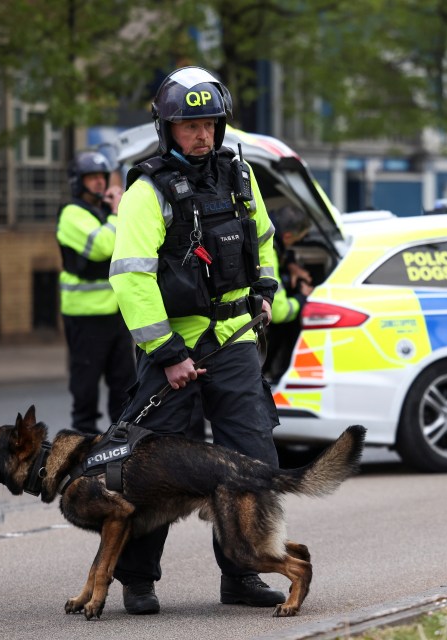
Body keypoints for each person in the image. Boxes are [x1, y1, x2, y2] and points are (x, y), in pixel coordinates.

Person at [108, 66, 285, 614]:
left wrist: (265, 289)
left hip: (233, 342)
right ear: (167, 128)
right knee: (152, 469)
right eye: (190, 125)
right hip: (175, 353)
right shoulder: (147, 190)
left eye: (209, 123)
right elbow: (131, 277)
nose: (202, 134)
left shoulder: (240, 175)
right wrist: (167, 353)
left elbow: (264, 240)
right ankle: (137, 581)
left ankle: (244, 573)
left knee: (252, 459)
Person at [56, 150, 136, 434]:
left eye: (102, 178)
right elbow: (103, 245)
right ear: (78, 182)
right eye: (92, 178)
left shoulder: (103, 212)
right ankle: (82, 445)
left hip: (116, 314)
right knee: (86, 389)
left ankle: (122, 443)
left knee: (125, 386)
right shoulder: (71, 214)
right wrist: (117, 213)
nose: (100, 183)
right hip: (85, 315)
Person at [263, 205, 313, 381]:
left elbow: (280, 248)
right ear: (287, 236)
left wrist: (290, 264)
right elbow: (280, 312)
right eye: (296, 240)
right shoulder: (268, 253)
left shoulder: (262, 223)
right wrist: (304, 297)